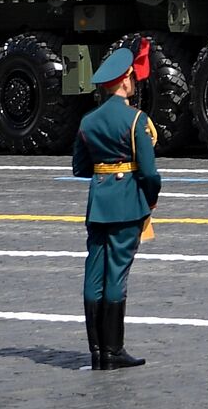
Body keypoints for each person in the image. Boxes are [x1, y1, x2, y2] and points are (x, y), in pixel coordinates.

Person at [72, 43, 161, 371]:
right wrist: (149, 200)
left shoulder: (88, 121)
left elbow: (80, 168)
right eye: (132, 79)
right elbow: (150, 174)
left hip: (98, 206)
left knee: (94, 273)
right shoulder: (136, 119)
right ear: (124, 81)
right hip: (127, 206)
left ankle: (97, 352)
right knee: (116, 275)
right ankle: (114, 351)